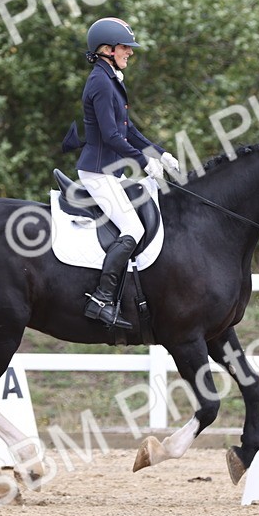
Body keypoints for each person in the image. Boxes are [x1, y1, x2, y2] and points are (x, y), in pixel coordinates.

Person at [76, 17, 179, 329]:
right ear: (107, 49)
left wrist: (159, 153)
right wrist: (143, 161)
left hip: (112, 172)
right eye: (125, 47)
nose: (130, 52)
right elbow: (111, 136)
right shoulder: (100, 82)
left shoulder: (110, 80)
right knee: (133, 228)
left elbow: (129, 130)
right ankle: (101, 299)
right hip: (97, 173)